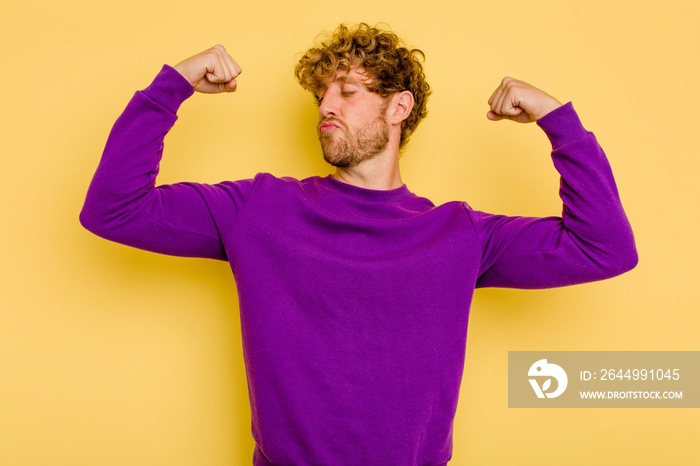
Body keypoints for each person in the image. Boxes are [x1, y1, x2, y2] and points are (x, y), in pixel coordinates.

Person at [80, 23, 637, 466]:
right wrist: (169, 88)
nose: (326, 106)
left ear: (399, 108)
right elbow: (114, 209)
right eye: (323, 95)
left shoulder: (459, 234)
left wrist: (559, 123)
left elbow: (603, 248)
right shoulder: (259, 209)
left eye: (347, 92)